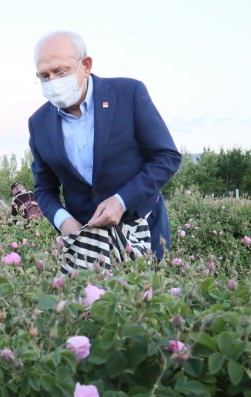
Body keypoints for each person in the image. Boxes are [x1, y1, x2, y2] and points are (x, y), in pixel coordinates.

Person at [28, 31, 181, 260]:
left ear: (86, 65)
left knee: (153, 294)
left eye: (61, 72)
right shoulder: (39, 123)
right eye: (44, 76)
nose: (53, 82)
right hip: (88, 239)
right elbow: (44, 189)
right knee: (97, 296)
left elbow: (166, 157)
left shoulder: (128, 94)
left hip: (143, 225)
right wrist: (63, 220)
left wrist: (122, 200)